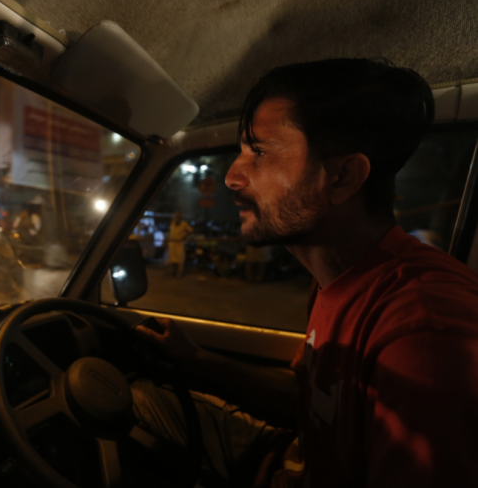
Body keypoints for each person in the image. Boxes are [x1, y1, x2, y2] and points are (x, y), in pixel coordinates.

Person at [134, 58, 478, 487]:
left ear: (342, 177)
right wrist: (197, 361)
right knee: (138, 401)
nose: (231, 178)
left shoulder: (424, 332)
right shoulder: (335, 279)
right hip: (288, 460)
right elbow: (310, 401)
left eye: (258, 152)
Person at [167, 211, 193, 277]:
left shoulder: (184, 224)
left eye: (178, 217)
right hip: (172, 243)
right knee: (171, 258)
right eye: (176, 217)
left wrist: (185, 236)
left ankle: (180, 272)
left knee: (180, 258)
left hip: (179, 243)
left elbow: (190, 231)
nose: (177, 218)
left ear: (180, 217)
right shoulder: (172, 223)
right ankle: (171, 272)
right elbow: (170, 233)